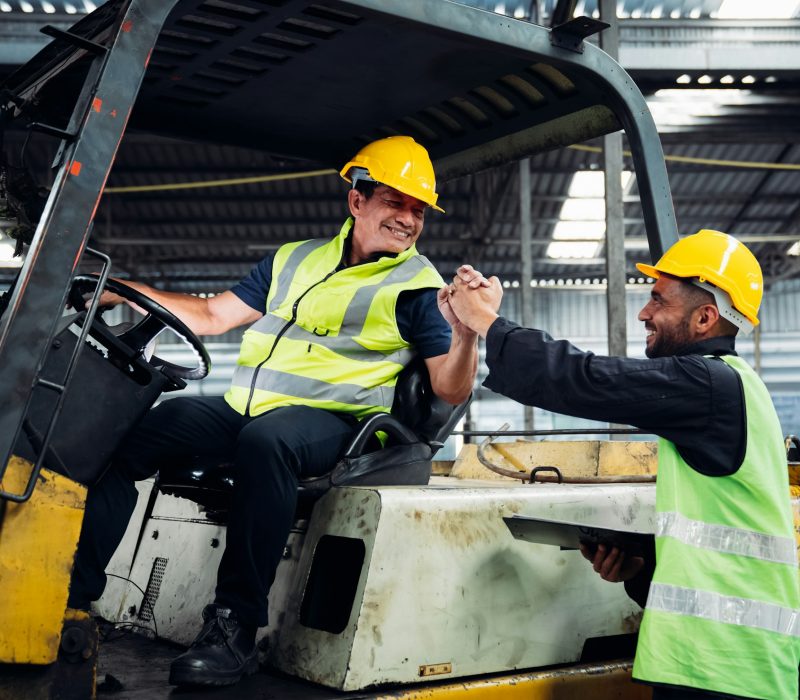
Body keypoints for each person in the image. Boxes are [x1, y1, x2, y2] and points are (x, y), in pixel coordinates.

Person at [68, 135, 488, 687]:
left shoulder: (418, 288)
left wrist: (465, 335)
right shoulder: (295, 259)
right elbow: (214, 316)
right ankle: (73, 603)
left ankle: (234, 627)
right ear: (357, 200)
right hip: (249, 407)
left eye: (417, 210)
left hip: (336, 422)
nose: (408, 219)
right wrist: (124, 289)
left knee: (268, 442)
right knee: (130, 434)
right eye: (395, 201)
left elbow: (451, 390)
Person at [443, 229, 800, 700]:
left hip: (728, 670)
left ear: (705, 317)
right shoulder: (730, 388)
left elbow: (585, 378)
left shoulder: (710, 383)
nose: (644, 312)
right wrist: (639, 567)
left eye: (658, 301)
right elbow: (718, 551)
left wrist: (487, 322)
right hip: (717, 662)